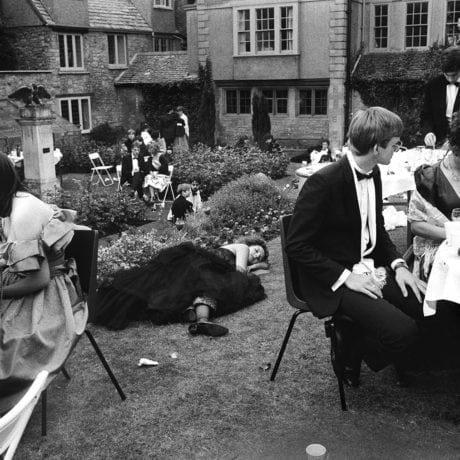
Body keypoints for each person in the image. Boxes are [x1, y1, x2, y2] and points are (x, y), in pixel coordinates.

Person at [286, 107, 426, 386]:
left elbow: (377, 230)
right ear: (377, 147)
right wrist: (347, 277)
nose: (397, 150)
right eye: (396, 145)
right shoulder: (323, 183)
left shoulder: (373, 173)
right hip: (332, 279)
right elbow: (297, 245)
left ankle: (361, 337)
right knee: (403, 332)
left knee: (426, 308)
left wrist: (399, 266)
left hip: (368, 268)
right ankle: (349, 346)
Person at [0, 153, 88, 397]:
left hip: (51, 292)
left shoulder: (22, 213)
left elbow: (39, 279)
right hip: (29, 280)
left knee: (8, 340)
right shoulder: (10, 205)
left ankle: (13, 405)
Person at [95, 236, 269, 336]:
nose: (255, 256)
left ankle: (199, 319)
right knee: (241, 285)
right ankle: (199, 318)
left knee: (203, 290)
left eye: (259, 257)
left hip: (202, 272)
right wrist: (253, 268)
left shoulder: (225, 269)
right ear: (251, 243)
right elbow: (239, 271)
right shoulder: (243, 247)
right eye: (257, 251)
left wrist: (255, 265)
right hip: (201, 266)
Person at [408, 114, 460, 281]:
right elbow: (416, 224)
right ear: (455, 146)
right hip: (442, 253)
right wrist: (451, 234)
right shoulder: (430, 176)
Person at [421, 46, 460, 148]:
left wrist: (454, 141)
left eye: (454, 75)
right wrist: (428, 132)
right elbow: (426, 116)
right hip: (437, 144)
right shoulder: (433, 85)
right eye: (447, 75)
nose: (451, 79)